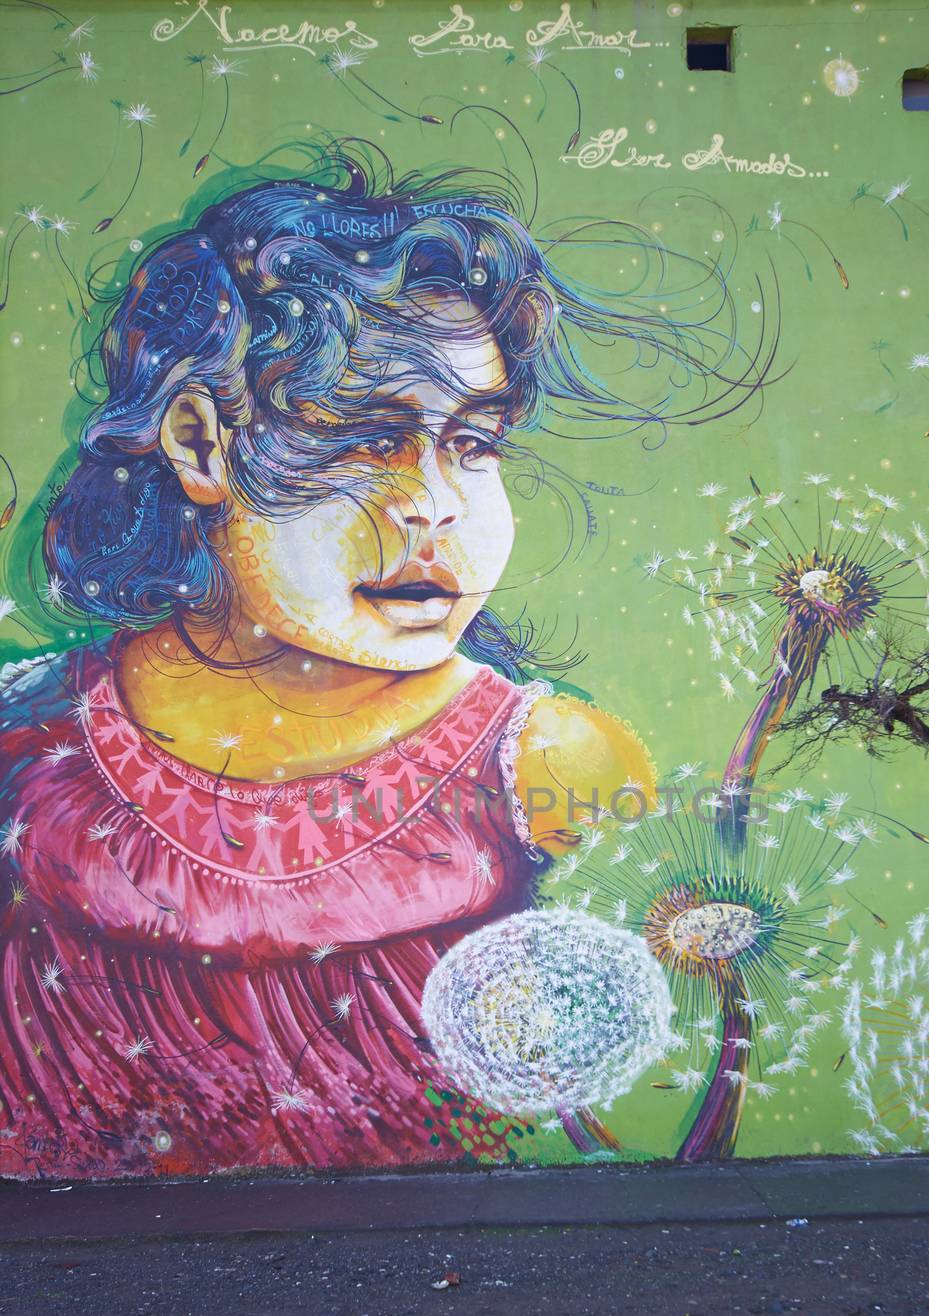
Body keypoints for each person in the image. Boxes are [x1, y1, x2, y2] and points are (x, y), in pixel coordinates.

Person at [0, 158, 762, 1178]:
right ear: (199, 441)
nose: (433, 505)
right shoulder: (30, 741)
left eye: (473, 443)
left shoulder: (549, 765)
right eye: (363, 440)